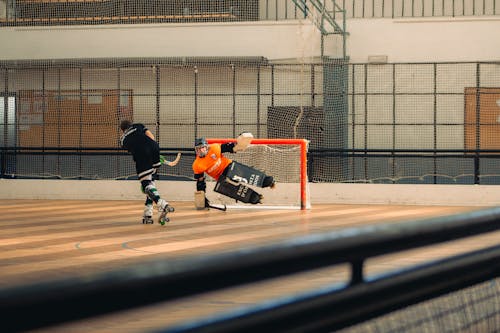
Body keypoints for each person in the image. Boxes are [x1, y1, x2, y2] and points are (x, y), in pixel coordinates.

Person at [192, 133, 275, 209]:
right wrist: (202, 197)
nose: (200, 151)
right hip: (221, 178)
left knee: (247, 175)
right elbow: (200, 182)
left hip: (229, 167)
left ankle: (265, 181)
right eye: (198, 149)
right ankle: (256, 198)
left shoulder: (214, 148)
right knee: (239, 192)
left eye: (202, 148)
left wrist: (237, 146)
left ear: (206, 147)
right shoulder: (197, 165)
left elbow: (228, 147)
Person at [119, 119, 174, 224]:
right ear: (131, 125)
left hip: (142, 155)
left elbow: (132, 148)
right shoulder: (138, 126)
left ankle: (162, 204)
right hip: (154, 148)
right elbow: (151, 137)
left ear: (122, 130)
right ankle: (148, 214)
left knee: (146, 185)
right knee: (151, 183)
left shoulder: (123, 139)